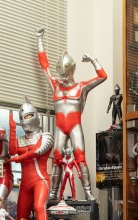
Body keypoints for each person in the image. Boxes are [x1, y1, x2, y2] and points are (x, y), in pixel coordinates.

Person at [37, 26, 106, 201]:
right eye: (62, 75)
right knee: (57, 159)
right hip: (60, 127)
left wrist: (92, 59)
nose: (63, 78)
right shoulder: (56, 85)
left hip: (74, 126)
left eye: (66, 75)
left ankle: (88, 192)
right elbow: (44, 65)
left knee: (81, 158)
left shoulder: (81, 87)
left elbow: (102, 76)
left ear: (72, 71)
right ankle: (53, 193)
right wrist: (39, 39)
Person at [8, 98, 54, 220]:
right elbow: (13, 150)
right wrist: (12, 130)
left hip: (40, 180)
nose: (24, 121)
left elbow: (37, 151)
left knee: (39, 207)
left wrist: (18, 159)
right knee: (21, 217)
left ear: (36, 117)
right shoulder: (21, 139)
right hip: (25, 183)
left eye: (27, 116)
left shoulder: (46, 136)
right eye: (21, 118)